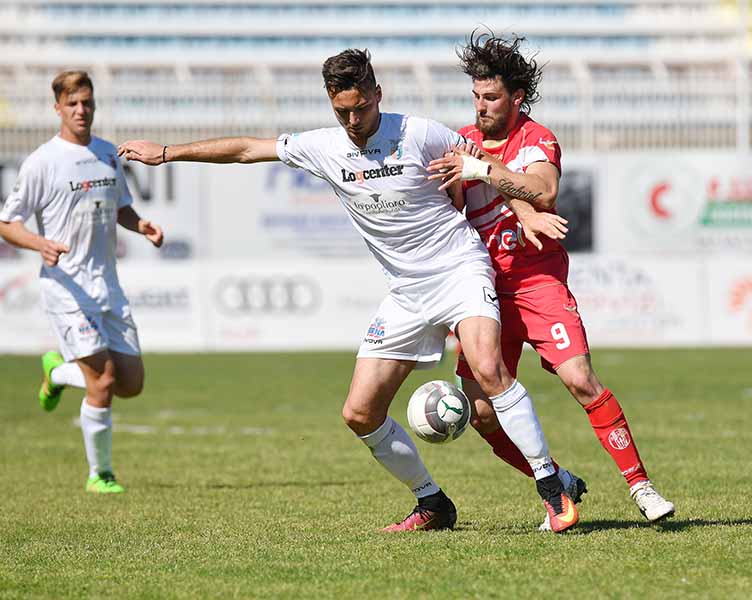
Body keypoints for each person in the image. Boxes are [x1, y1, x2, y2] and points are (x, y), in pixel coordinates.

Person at [118, 49, 581, 533]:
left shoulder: (421, 133)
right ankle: (433, 503)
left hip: (459, 267)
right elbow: (245, 150)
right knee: (360, 413)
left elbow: (487, 173)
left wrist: (528, 213)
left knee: (488, 368)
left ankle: (552, 490)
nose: (355, 120)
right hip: (406, 292)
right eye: (343, 112)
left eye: (362, 107)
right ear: (330, 105)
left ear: (378, 95)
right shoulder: (323, 146)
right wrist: (168, 153)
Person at [427, 32, 676, 526]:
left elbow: (544, 188)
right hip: (480, 292)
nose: (481, 107)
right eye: (476, 97)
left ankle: (641, 487)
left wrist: (488, 173)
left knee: (581, 379)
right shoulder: (461, 143)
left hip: (537, 283)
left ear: (516, 97)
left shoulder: (537, 138)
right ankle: (556, 482)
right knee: (479, 413)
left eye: (491, 97)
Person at [0, 71, 164, 493]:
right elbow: (7, 222)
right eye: (72, 104)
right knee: (104, 381)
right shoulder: (42, 162)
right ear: (58, 108)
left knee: (131, 384)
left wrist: (141, 224)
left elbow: (122, 208)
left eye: (87, 102)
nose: (81, 110)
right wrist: (40, 244)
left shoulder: (108, 153)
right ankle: (100, 473)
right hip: (66, 288)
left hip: (107, 286)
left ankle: (56, 374)